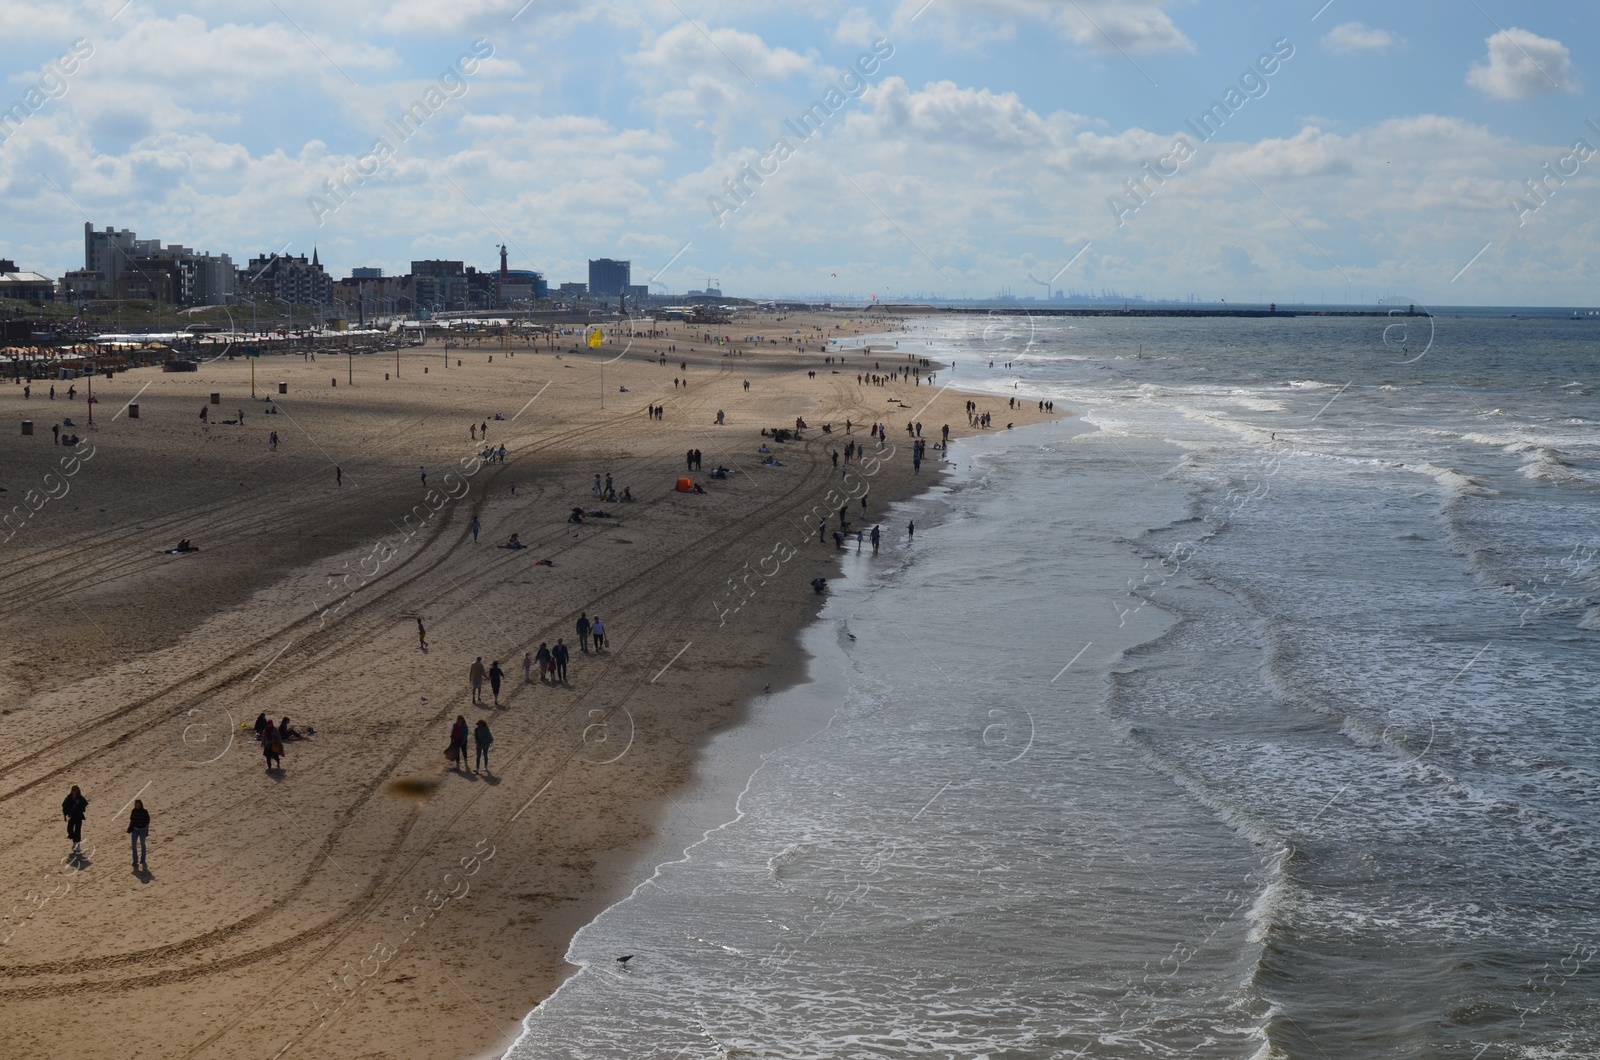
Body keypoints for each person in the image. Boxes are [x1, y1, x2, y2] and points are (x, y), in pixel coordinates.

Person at [62, 785, 88, 853]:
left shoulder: (80, 797)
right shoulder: (69, 797)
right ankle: (75, 840)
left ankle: (77, 845)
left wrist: (79, 803)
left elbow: (84, 804)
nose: (73, 791)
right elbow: (64, 805)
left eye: (74, 790)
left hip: (78, 816)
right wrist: (64, 815)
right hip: (72, 816)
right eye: (72, 790)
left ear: (77, 790)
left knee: (77, 830)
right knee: (69, 829)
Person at [127, 799, 150, 870]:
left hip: (142, 830)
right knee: (134, 845)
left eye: (138, 805)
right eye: (135, 805)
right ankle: (135, 861)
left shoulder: (144, 812)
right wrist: (129, 827)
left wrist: (147, 831)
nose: (137, 806)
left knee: (142, 844)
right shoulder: (133, 811)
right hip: (135, 829)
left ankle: (143, 859)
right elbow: (131, 820)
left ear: (141, 804)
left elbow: (147, 822)